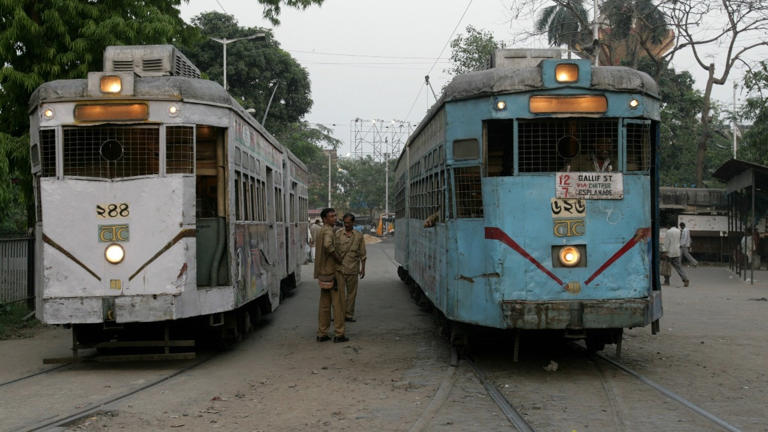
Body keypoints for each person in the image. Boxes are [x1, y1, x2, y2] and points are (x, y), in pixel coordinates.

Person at [314, 208, 348, 343]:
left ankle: (322, 333)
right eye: (331, 216)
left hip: (324, 273)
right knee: (338, 304)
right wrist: (337, 258)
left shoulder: (322, 230)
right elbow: (328, 246)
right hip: (333, 273)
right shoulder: (328, 230)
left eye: (335, 215)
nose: (335, 218)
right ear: (325, 219)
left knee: (324, 305)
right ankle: (339, 333)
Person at [335, 213, 367, 322]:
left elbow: (363, 253)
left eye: (349, 222)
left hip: (353, 269)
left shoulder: (359, 236)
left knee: (351, 293)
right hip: (339, 269)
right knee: (339, 294)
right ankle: (338, 314)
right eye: (345, 222)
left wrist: (363, 268)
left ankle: (348, 315)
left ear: (353, 223)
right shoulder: (338, 234)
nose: (347, 224)